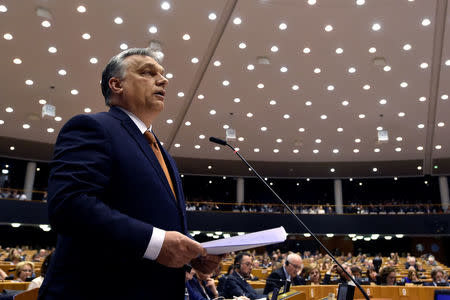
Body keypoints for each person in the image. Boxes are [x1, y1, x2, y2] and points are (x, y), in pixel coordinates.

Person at [38, 48, 221, 300]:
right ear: (116, 84)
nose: (163, 80)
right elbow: (69, 205)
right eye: (148, 72)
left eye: (163, 74)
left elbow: (161, 225)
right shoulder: (92, 127)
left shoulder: (163, 154)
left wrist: (192, 256)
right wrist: (157, 245)